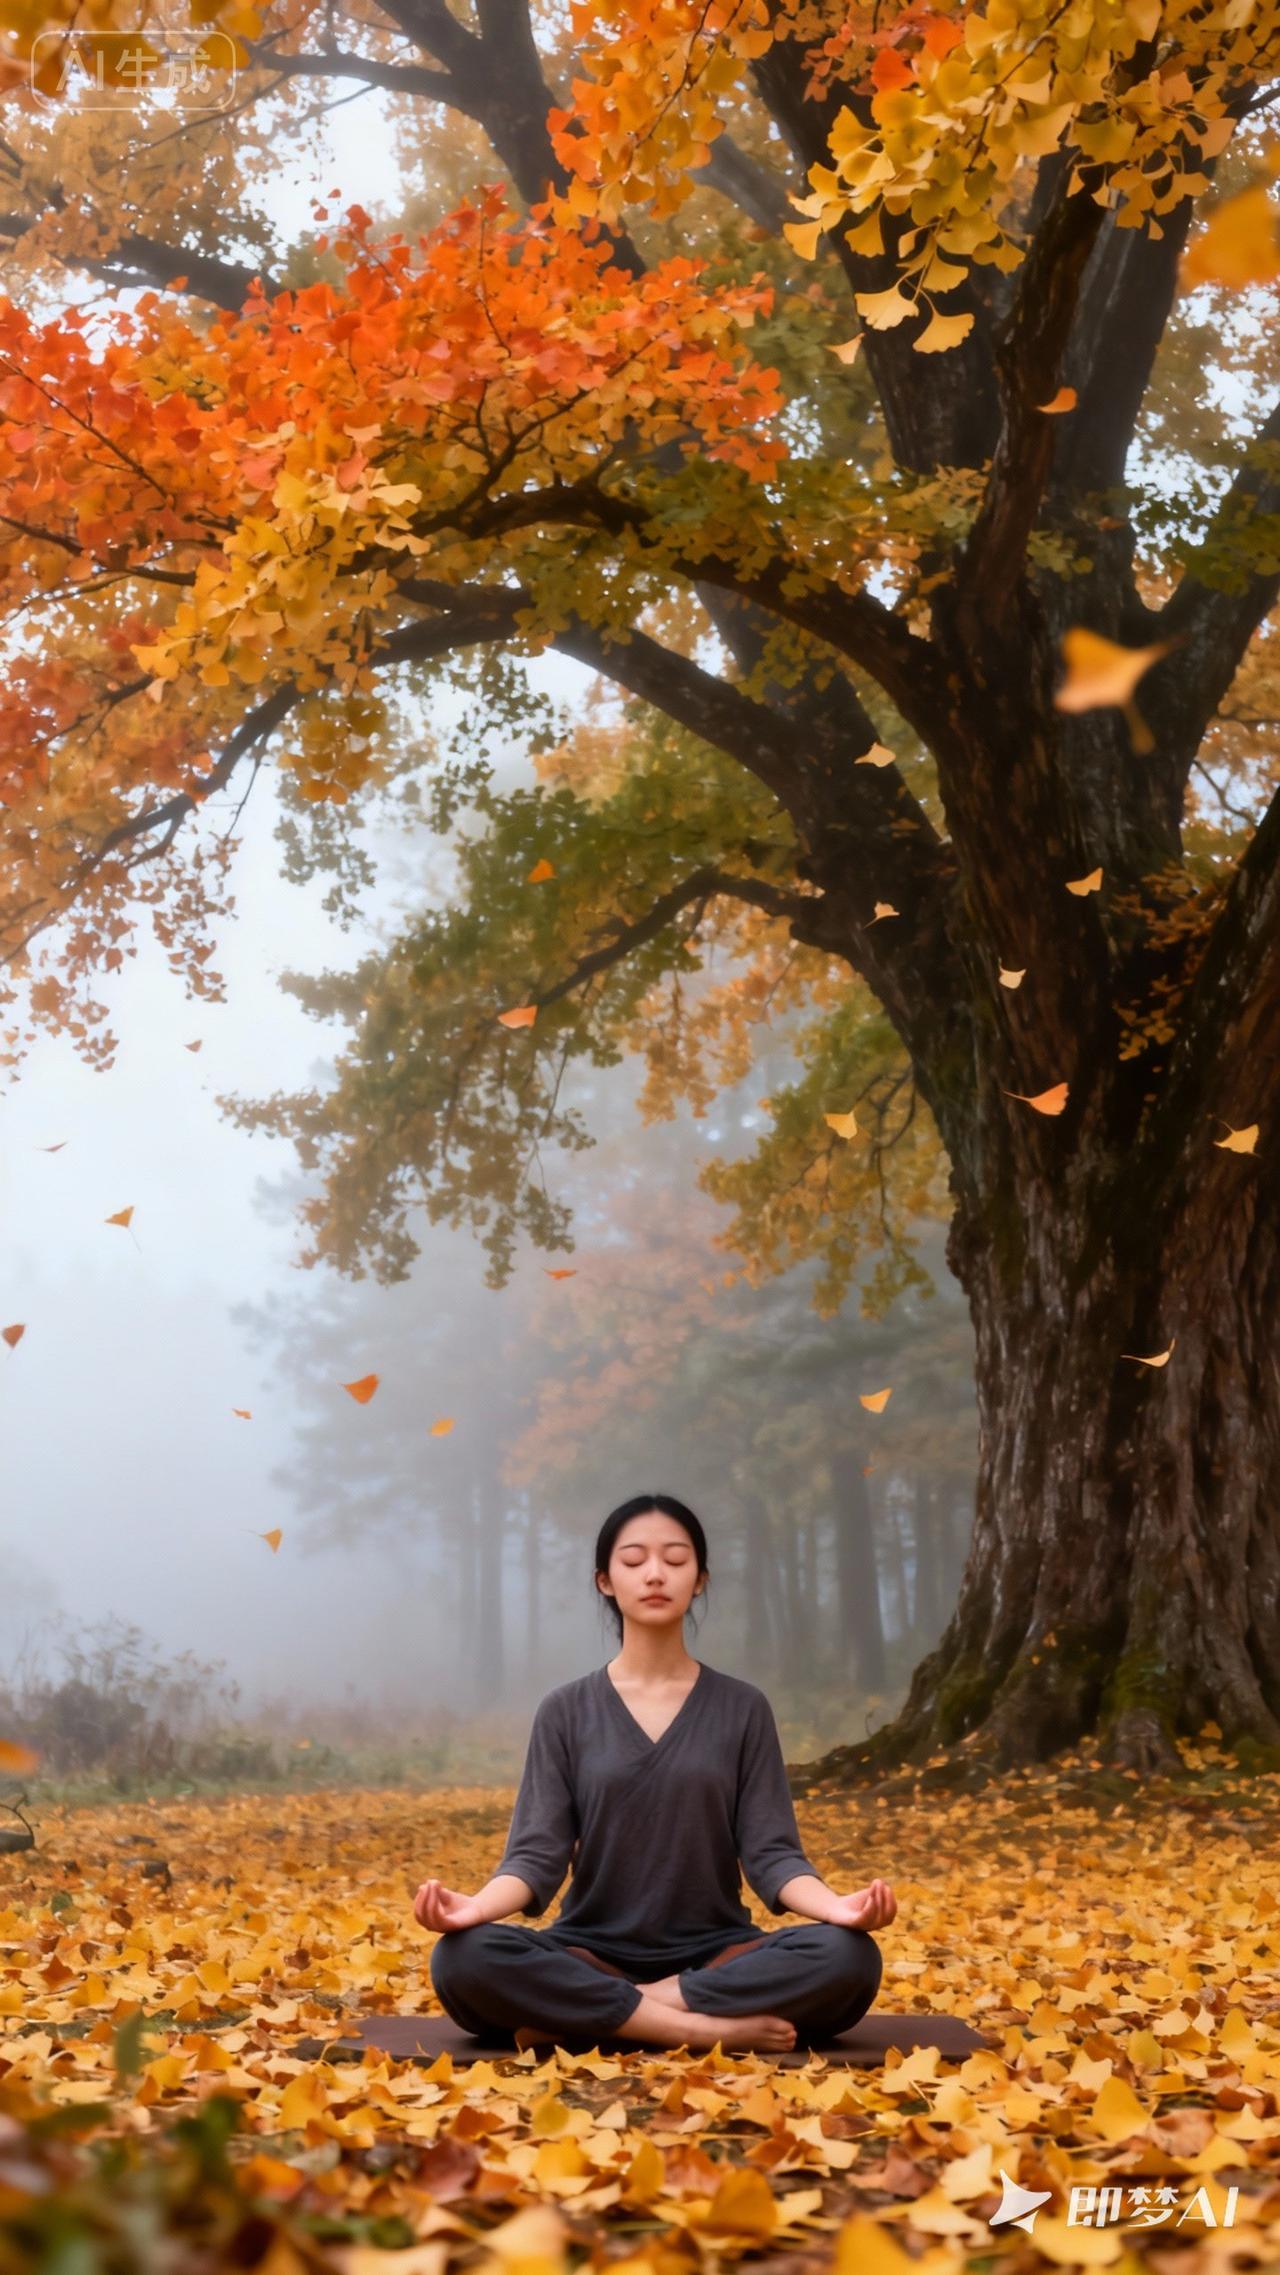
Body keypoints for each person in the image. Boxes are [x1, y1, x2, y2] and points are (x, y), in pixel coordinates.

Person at [414, 1493, 897, 2054]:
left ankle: (602, 2015)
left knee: (849, 1957)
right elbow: (536, 1857)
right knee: (462, 1959)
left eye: (675, 1559)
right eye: (634, 1559)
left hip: (717, 1955)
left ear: (700, 1579)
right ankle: (697, 2029)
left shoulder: (743, 1708)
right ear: (604, 1580)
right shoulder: (565, 1711)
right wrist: (474, 1908)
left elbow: (772, 1856)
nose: (655, 1574)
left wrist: (839, 1907)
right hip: (588, 1954)